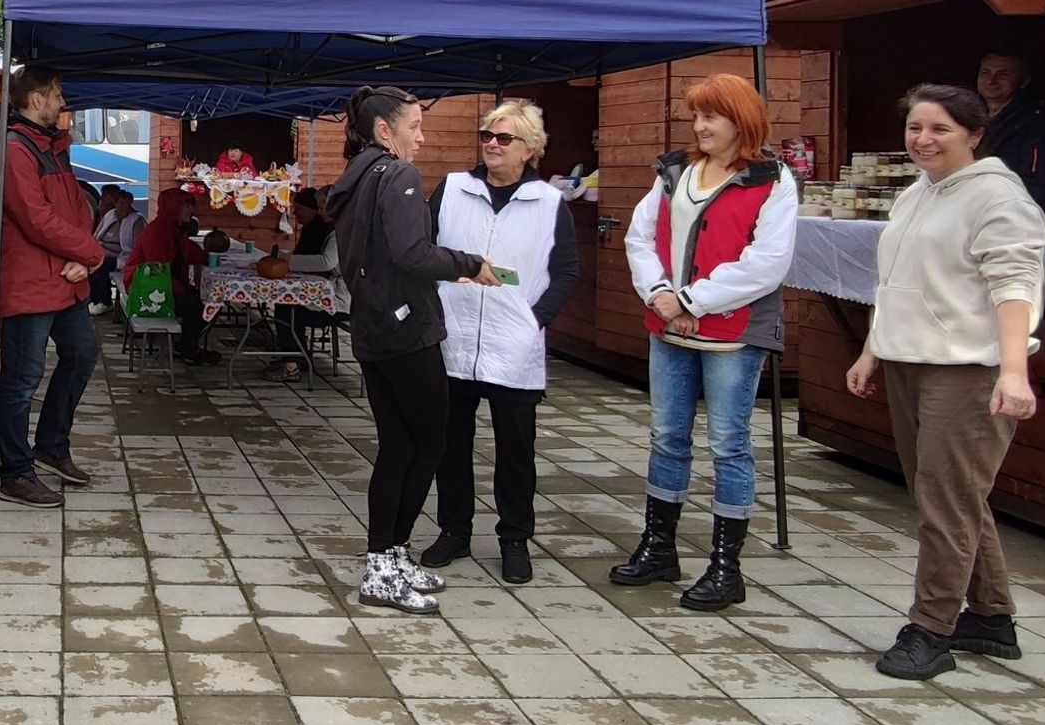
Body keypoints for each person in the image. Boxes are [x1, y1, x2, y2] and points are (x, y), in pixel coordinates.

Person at [846, 83, 1045, 681]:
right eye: (915, 127)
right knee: (950, 496)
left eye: (940, 129)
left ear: (975, 135)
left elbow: (1015, 287)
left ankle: (931, 628)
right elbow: (896, 283)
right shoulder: (916, 193)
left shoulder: (998, 198)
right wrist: (872, 351)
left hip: (968, 370)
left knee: (946, 502)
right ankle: (991, 616)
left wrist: (1014, 372)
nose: (923, 139)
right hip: (909, 362)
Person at [612, 72, 798, 611]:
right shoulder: (676, 172)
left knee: (728, 444)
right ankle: (659, 547)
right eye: (696, 115)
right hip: (670, 325)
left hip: (732, 333)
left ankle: (725, 567)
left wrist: (692, 301)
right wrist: (662, 295)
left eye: (711, 116)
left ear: (741, 120)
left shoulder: (773, 180)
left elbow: (767, 262)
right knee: (667, 436)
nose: (699, 125)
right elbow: (641, 236)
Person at [328, 85, 500, 614]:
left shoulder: (356, 177)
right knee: (427, 443)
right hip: (406, 331)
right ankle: (384, 562)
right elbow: (412, 253)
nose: (422, 138)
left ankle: (390, 559)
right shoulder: (396, 173)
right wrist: (468, 264)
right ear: (385, 131)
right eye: (415, 127)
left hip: (374, 329)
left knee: (399, 446)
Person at [420, 100, 579, 584]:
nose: (492, 144)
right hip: (454, 338)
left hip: (514, 346)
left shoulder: (548, 203)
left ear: (530, 149)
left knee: (515, 450)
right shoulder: (453, 188)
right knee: (450, 446)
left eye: (504, 138)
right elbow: (424, 252)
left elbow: (566, 271)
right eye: (487, 135)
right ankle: (454, 531)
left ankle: (514, 539)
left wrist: (535, 320)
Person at [0, 66, 103, 508]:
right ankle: (15, 473)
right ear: (37, 99)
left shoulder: (49, 144)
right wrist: (90, 252)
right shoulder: (14, 149)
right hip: (29, 280)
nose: (62, 102)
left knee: (82, 353)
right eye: (56, 94)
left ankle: (50, 447)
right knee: (21, 378)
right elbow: (36, 219)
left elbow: (76, 206)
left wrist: (81, 257)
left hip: (63, 276)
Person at [123, 187, 222, 366]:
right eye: (186, 207)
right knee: (201, 302)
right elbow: (159, 272)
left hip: (162, 285)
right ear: (173, 207)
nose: (191, 211)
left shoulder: (174, 229)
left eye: (191, 207)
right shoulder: (158, 233)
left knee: (206, 299)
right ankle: (188, 349)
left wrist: (207, 258)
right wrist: (183, 291)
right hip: (145, 289)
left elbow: (188, 250)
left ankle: (186, 344)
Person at [263, 187, 350, 383]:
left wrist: (287, 262)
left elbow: (326, 262)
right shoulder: (338, 229)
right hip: (334, 293)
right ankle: (297, 357)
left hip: (341, 302)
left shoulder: (341, 232)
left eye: (322, 207)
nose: (319, 212)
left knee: (288, 309)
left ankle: (292, 364)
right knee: (287, 304)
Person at [975, 50, 1045, 218]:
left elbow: (1040, 183)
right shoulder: (968, 117)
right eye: (985, 73)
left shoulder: (1037, 122)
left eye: (1003, 75)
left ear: (1023, 82)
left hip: (1012, 216)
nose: (991, 81)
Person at [88, 187, 146, 315]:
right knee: (87, 261)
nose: (124, 207)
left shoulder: (136, 220)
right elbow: (97, 234)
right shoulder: (110, 215)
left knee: (100, 266)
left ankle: (105, 301)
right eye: (121, 203)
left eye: (127, 204)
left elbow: (136, 246)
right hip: (101, 251)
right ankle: (94, 299)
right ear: (115, 203)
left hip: (121, 256)